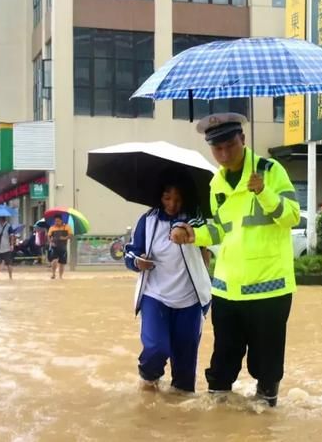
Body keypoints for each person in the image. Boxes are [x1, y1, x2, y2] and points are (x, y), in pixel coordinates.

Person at [170, 113, 300, 407]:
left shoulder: (270, 170)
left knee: (266, 365)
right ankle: (218, 418)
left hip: (269, 286)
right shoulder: (216, 183)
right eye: (217, 149)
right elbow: (219, 230)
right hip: (228, 287)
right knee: (222, 364)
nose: (225, 154)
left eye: (230, 145)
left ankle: (265, 414)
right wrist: (192, 234)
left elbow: (291, 217)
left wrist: (264, 192)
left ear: (243, 139)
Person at [124, 177, 212, 393]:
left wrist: (185, 229)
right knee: (156, 348)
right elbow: (130, 252)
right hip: (156, 296)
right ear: (159, 197)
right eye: (167, 198)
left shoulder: (195, 217)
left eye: (178, 199)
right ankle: (148, 381)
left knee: (185, 367)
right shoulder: (148, 220)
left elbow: (205, 235)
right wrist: (138, 261)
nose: (172, 204)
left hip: (190, 300)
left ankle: (178, 419)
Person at [0, 216, 14, 280]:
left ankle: (10, 277)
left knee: (8, 263)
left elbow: (12, 236)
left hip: (6, 248)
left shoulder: (9, 227)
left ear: (1, 219)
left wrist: (12, 245)